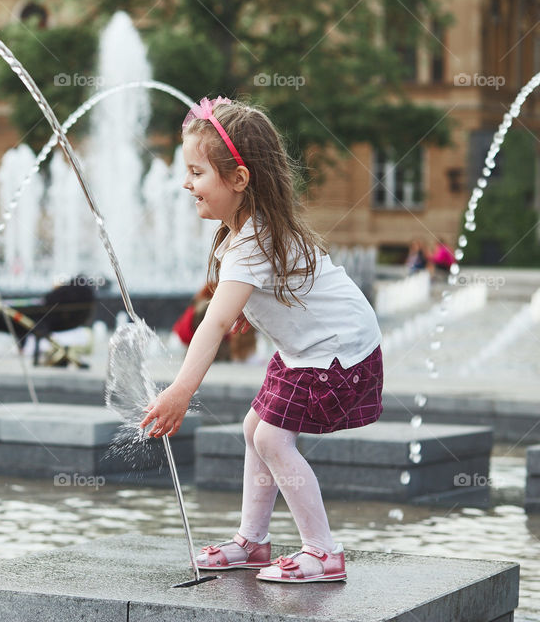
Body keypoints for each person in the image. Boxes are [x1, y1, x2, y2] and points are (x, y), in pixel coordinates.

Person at [139, 97, 383, 584]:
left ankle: (323, 551)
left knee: (271, 436)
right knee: (256, 426)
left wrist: (181, 390)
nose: (186, 183)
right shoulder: (248, 232)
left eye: (197, 172)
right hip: (316, 350)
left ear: (239, 179)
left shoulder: (252, 241)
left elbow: (211, 323)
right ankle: (253, 541)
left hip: (339, 354)